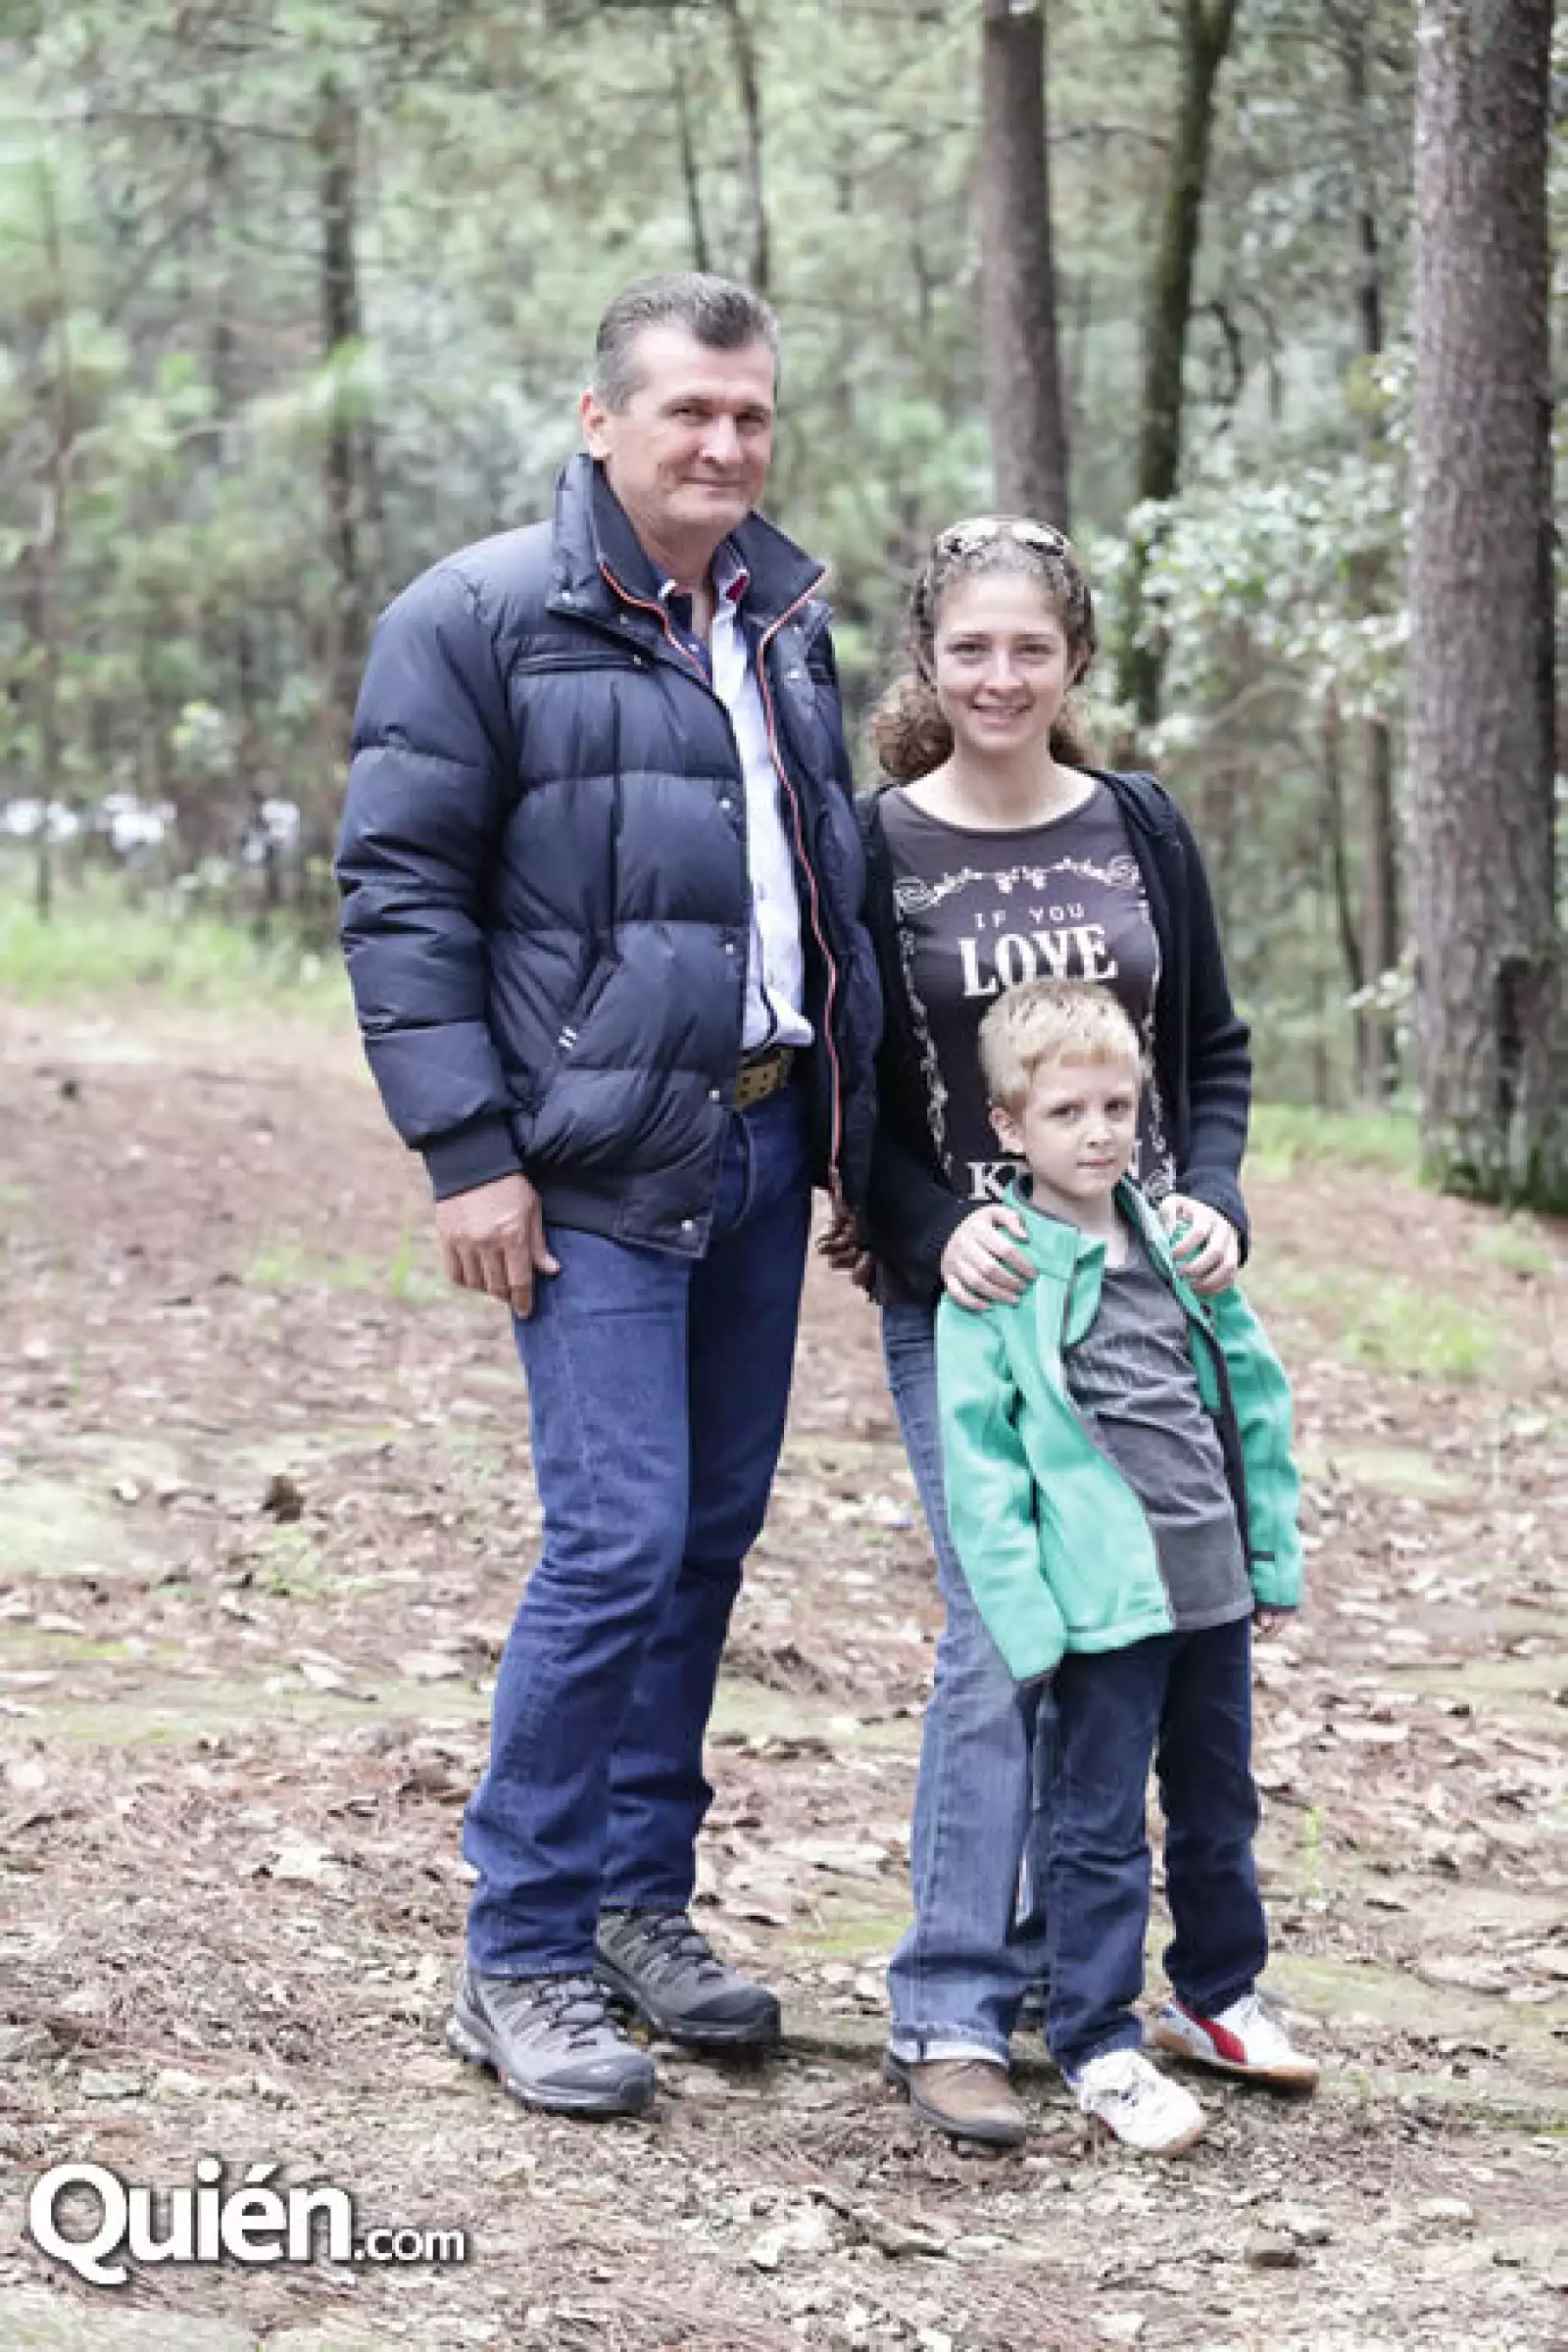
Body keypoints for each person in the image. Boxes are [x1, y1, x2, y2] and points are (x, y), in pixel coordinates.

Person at [335, 272, 880, 2120]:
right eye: (688, 415)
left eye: (751, 416)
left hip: (753, 1139)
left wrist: (848, 1136)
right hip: (587, 1173)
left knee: (708, 1544)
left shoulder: (785, 621)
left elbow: (823, 885)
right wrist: (466, 1154)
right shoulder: (481, 616)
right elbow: (400, 904)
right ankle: (525, 1951)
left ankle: (644, 1904)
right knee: (618, 1541)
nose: (724, 445)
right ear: (601, 422)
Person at [845, 514, 1253, 2148]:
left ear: (1074, 660)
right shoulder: (871, 847)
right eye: (971, 648)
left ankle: (1058, 1979)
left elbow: (1210, 1050)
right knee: (1004, 1625)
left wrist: (1214, 1196)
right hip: (978, 1307)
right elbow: (852, 1107)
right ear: (928, 665)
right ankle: (946, 2005)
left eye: (1031, 648)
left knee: (1132, 1630)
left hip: (1149, 1300)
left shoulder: (1139, 825)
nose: (1000, 676)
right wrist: (942, 1233)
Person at [936, 976, 1316, 2155]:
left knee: (1218, 1803)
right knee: (1096, 1825)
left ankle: (1214, 1996)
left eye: (1116, 1106)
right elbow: (980, 1465)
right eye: (1065, 1113)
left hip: (1207, 1587)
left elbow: (1250, 1397)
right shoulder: (998, 1271)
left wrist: (1270, 1555)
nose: (1097, 1132)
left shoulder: (1174, 1241)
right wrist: (1026, 1622)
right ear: (1008, 1124)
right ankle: (1096, 2040)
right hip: (1097, 1611)